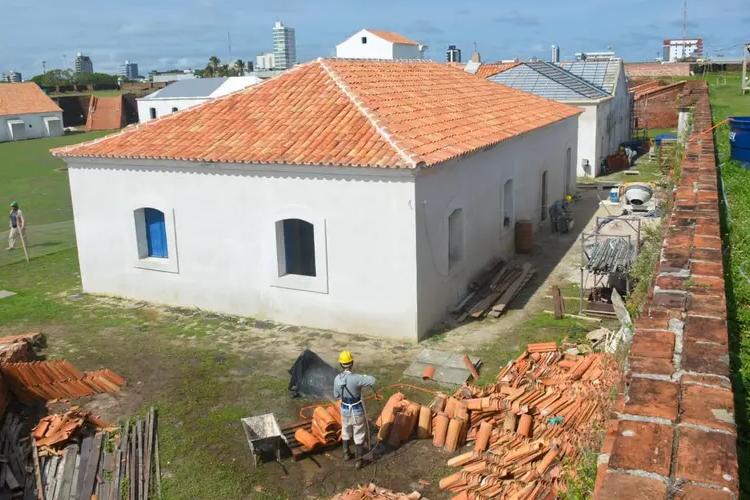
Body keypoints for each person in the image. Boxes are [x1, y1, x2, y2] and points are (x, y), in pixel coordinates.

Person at [333, 350, 375, 469]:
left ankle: (346, 454)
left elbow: (336, 396)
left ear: (341, 364)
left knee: (345, 431)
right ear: (352, 363)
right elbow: (373, 380)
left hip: (345, 409)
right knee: (359, 433)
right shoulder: (357, 378)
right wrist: (365, 377)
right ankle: (358, 461)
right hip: (357, 410)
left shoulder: (337, 379)